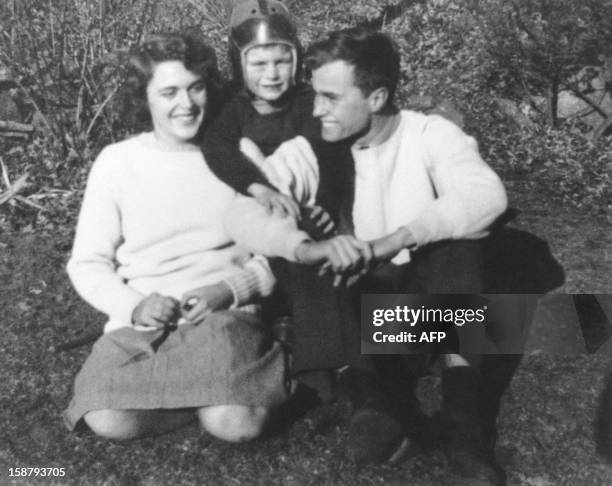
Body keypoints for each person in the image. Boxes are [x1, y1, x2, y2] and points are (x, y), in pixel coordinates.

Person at [225, 27, 517, 483]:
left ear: (377, 97)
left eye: (330, 97)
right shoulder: (312, 147)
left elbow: (487, 196)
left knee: (457, 243)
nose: (316, 108)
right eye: (316, 95)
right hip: (364, 325)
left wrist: (397, 239)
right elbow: (241, 216)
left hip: (428, 320)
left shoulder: (430, 134)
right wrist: (307, 247)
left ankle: (464, 424)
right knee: (295, 248)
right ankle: (375, 405)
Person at [63, 33, 287, 442]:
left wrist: (229, 288)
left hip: (224, 318)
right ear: (144, 97)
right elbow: (87, 262)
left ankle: (215, 400)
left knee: (238, 426)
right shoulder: (117, 163)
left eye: (195, 88)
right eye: (169, 92)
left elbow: (278, 251)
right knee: (108, 420)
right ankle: (206, 398)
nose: (185, 105)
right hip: (142, 328)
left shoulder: (239, 155)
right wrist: (135, 306)